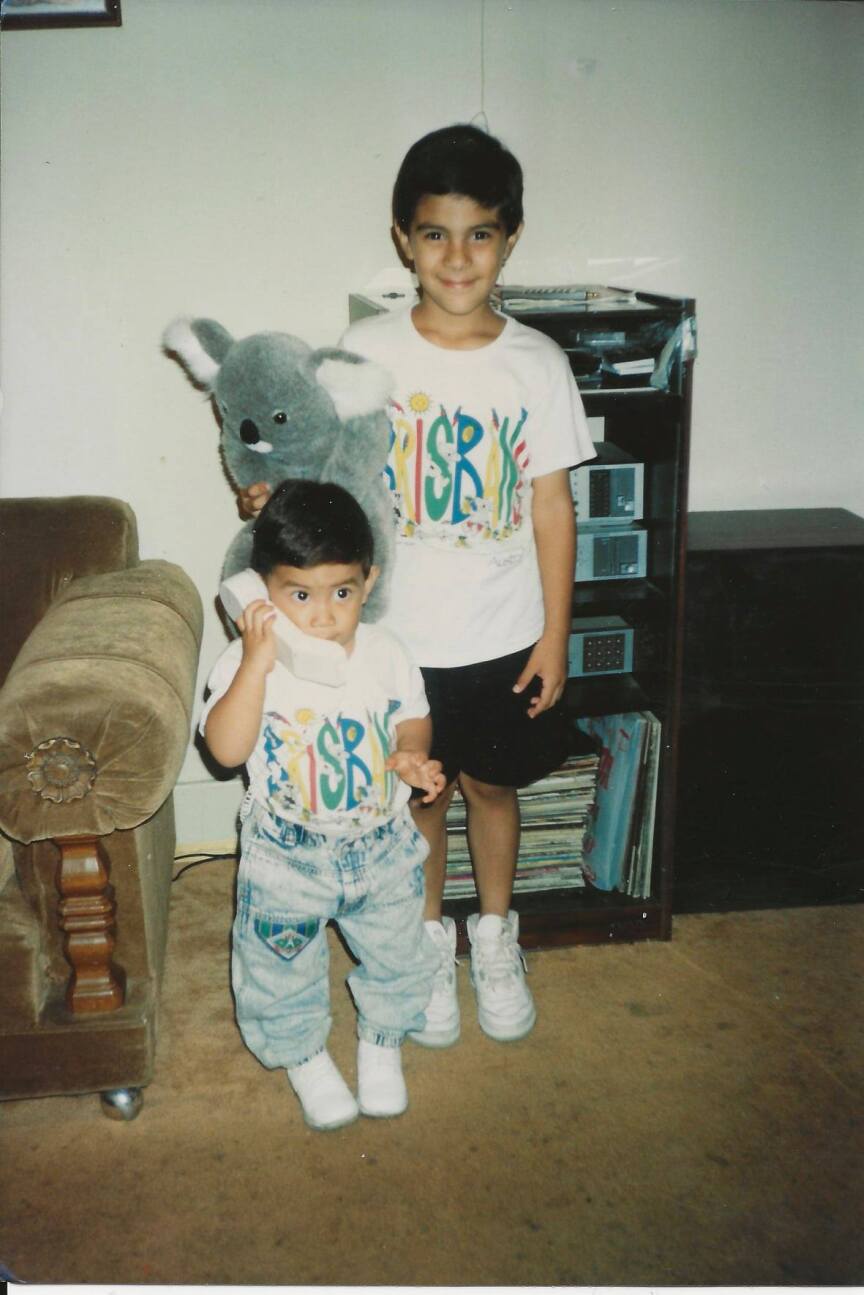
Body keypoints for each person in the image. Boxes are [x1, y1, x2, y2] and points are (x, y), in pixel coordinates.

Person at [238, 123, 595, 1051]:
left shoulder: (537, 364)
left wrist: (557, 636)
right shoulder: (366, 347)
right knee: (420, 799)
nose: (457, 255)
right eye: (435, 233)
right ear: (404, 237)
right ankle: (427, 944)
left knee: (491, 788)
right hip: (398, 638)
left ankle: (497, 935)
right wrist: (273, 493)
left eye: (480, 233)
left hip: (506, 630)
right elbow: (324, 467)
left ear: (510, 237)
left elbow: (553, 508)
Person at [201, 478, 445, 1132]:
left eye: (342, 592)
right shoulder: (243, 662)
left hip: (382, 842)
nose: (323, 615)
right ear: (261, 591)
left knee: (399, 949)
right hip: (288, 852)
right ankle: (304, 1055)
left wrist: (411, 755)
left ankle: (383, 1040)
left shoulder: (387, 652)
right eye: (299, 595)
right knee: (279, 960)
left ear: (369, 581)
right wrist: (256, 662)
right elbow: (225, 751)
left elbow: (411, 719)